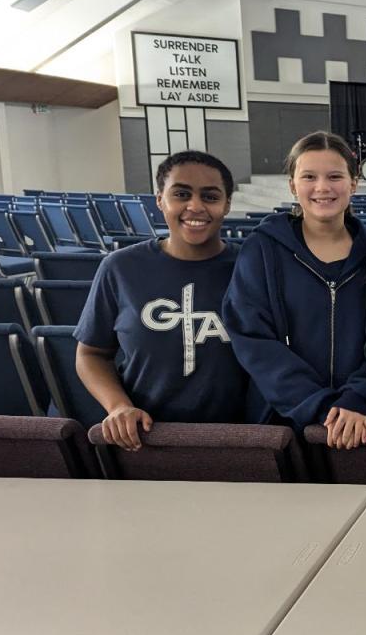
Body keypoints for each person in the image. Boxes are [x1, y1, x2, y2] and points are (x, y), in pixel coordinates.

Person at [75, 151, 247, 450]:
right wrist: (118, 406)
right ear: (159, 200)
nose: (195, 206)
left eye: (210, 196)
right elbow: (91, 354)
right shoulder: (120, 267)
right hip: (147, 437)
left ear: (227, 204)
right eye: (181, 194)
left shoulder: (252, 266)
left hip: (240, 435)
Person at [222, 131, 366, 449]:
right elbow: (252, 338)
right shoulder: (262, 249)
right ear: (293, 185)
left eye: (334, 176)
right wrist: (318, 405)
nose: (322, 187)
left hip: (364, 420)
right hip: (282, 423)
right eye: (309, 176)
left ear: (353, 183)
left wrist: (357, 396)